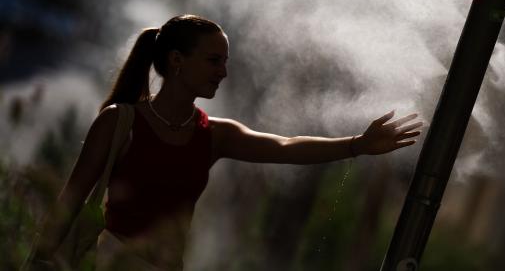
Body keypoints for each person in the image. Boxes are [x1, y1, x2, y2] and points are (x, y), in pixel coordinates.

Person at [27, 14, 423, 270]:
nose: (224, 72)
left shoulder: (215, 134)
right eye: (214, 60)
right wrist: (35, 263)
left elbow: (286, 147)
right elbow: (69, 201)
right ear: (178, 61)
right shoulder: (119, 122)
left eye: (226, 61)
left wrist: (357, 143)